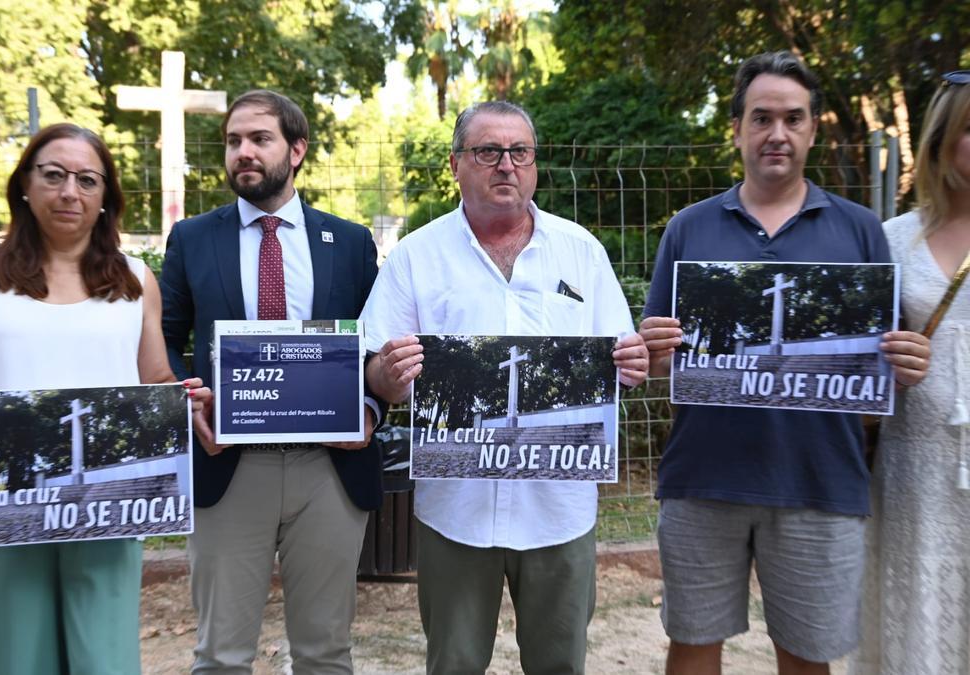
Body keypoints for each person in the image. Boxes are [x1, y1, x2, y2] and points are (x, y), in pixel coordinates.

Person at [639, 51, 931, 675]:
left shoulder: (860, 232)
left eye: (793, 119)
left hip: (819, 484)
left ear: (813, 128)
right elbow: (658, 363)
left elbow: (881, 361)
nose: (777, 133)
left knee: (807, 657)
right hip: (702, 480)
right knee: (692, 645)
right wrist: (654, 351)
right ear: (739, 128)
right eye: (762, 118)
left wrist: (904, 360)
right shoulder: (688, 230)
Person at [362, 100, 649, 675]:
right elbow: (374, 370)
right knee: (455, 663)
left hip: (559, 510)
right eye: (488, 151)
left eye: (519, 152)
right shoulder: (417, 257)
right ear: (456, 163)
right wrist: (386, 377)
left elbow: (620, 357)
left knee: (560, 663)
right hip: (457, 511)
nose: (505, 166)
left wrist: (633, 360)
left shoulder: (582, 252)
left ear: (535, 164)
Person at [0, 123, 208, 674]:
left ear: (106, 198)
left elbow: (155, 380)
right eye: (53, 175)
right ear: (25, 184)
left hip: (110, 503)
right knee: (20, 659)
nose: (69, 192)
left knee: (106, 661)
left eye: (86, 180)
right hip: (12, 501)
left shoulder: (134, 280)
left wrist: (183, 400)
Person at [159, 89, 382, 674]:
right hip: (228, 467)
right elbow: (162, 337)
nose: (243, 153)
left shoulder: (352, 242)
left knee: (326, 653)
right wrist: (188, 403)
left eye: (260, 139)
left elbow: (380, 347)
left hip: (328, 471)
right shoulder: (192, 238)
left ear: (297, 150)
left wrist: (370, 408)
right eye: (233, 141)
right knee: (221, 655)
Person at [851, 70, 970, 675]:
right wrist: (889, 364)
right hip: (915, 471)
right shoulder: (891, 239)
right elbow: (854, 361)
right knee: (915, 620)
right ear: (943, 139)